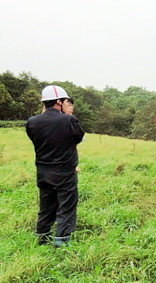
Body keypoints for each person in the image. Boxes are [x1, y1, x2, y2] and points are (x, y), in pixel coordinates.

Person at [26, 85, 85, 247]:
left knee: (46, 207)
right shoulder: (69, 120)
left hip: (43, 171)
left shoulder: (32, 122)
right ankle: (61, 242)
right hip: (65, 171)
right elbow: (78, 137)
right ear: (58, 102)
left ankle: (42, 238)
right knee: (66, 207)